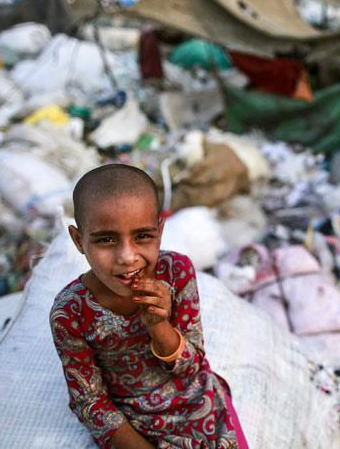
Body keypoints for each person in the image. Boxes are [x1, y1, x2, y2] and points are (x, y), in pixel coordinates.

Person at [50, 164, 248, 449]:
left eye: (142, 236)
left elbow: (192, 366)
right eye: (106, 240)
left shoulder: (176, 272)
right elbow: (90, 402)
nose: (127, 257)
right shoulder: (70, 313)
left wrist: (158, 324)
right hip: (136, 423)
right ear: (79, 241)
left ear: (159, 231)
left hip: (197, 402)